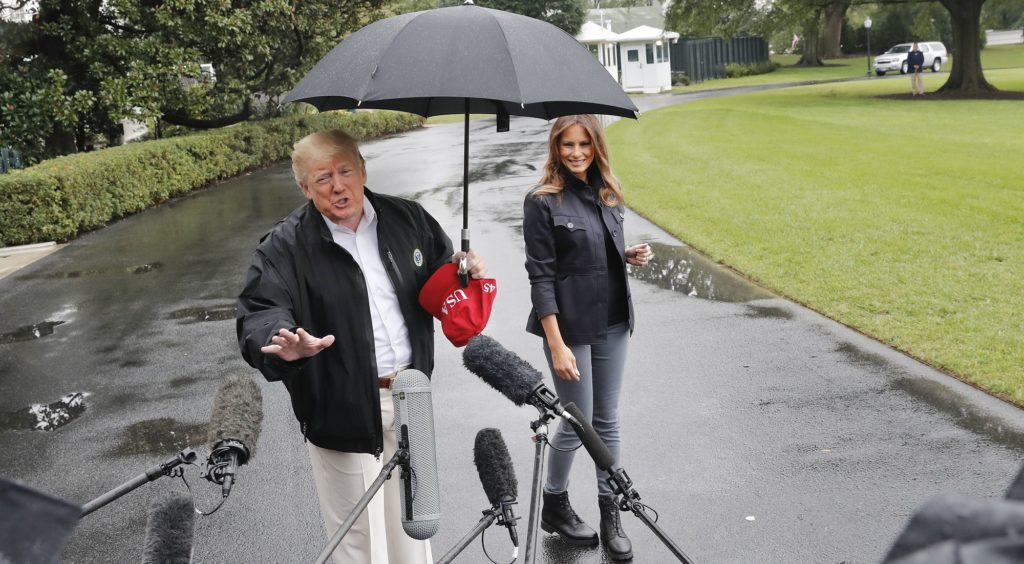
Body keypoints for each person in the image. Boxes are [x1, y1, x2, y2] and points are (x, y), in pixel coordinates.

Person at [236, 129, 486, 564]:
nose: (337, 186)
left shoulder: (408, 219)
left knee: (415, 528)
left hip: (411, 395)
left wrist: (463, 269)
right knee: (360, 543)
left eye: (344, 171)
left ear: (362, 169)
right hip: (339, 404)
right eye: (322, 178)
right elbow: (260, 310)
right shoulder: (285, 246)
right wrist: (281, 343)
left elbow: (442, 278)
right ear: (304, 187)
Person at [522, 114, 652, 562]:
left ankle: (609, 511)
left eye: (584, 144)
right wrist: (555, 343)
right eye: (566, 145)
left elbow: (599, 251)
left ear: (596, 145)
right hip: (569, 326)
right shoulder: (542, 201)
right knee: (579, 421)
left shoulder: (609, 193)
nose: (576, 153)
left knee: (608, 419)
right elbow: (541, 278)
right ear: (555, 148)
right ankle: (554, 503)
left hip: (615, 320)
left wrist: (627, 254)